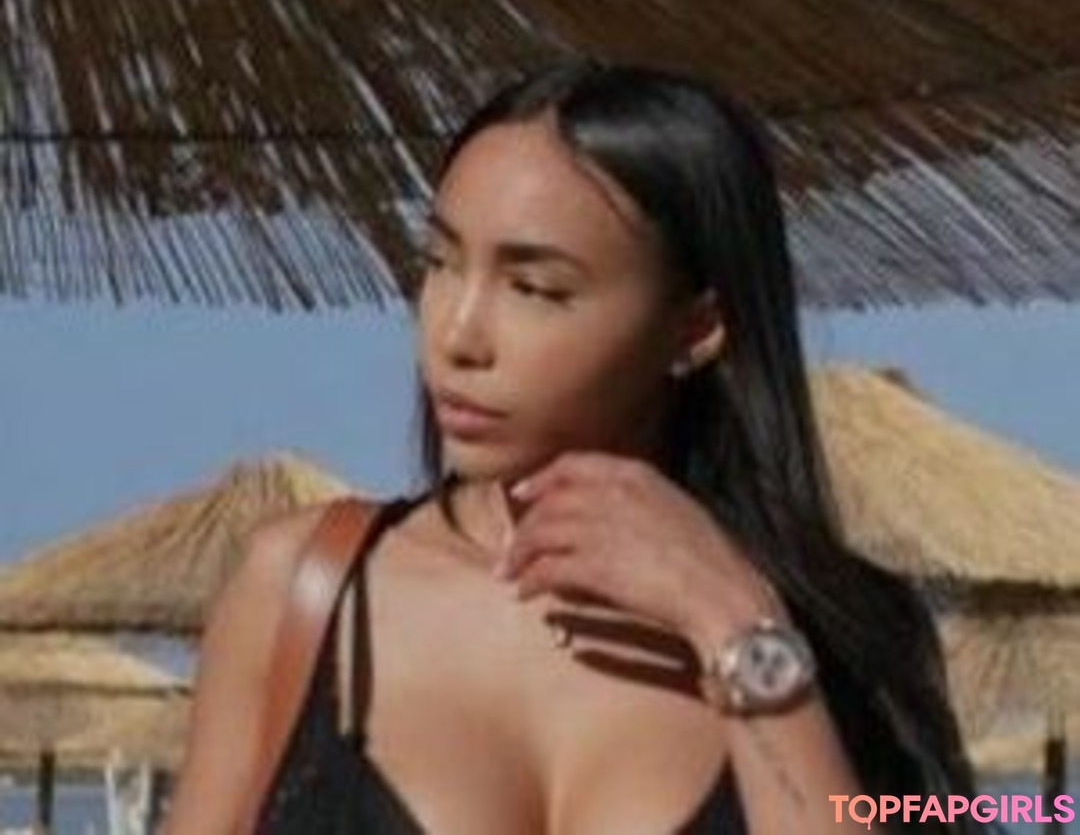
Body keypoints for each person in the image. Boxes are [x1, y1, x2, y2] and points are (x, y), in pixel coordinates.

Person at [166, 61, 988, 834]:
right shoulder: (299, 595)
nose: (456, 335)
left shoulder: (839, 637)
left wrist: (736, 624)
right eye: (440, 263)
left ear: (697, 327)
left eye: (534, 288)